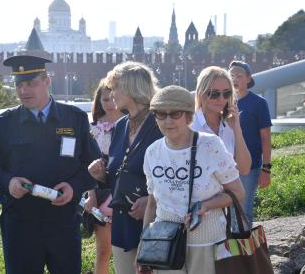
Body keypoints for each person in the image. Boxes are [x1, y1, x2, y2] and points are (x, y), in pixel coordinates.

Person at [0, 55, 100, 274]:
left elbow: (95, 166)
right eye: (19, 85)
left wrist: (74, 187)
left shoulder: (74, 119)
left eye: (31, 83)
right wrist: (8, 182)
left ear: (47, 81)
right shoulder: (3, 124)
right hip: (21, 224)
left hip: (63, 223)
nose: (24, 91)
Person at [137, 85, 245, 274]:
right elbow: (152, 204)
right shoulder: (152, 152)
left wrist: (206, 205)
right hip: (165, 244)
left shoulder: (210, 145)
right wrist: (143, 246)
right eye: (161, 114)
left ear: (188, 116)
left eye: (175, 114)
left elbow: (238, 192)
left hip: (206, 242)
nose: (168, 120)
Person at [88, 61, 163, 274]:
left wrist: (151, 201)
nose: (111, 94)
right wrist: (102, 176)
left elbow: (177, 173)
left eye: (114, 87)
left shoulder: (161, 123)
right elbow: (117, 177)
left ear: (132, 88)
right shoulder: (120, 126)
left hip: (155, 222)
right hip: (122, 222)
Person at [83, 77, 124, 274]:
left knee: (128, 249)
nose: (110, 104)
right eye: (105, 99)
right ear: (98, 101)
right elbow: (87, 164)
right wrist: (90, 195)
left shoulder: (132, 126)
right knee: (104, 250)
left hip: (126, 192)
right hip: (100, 192)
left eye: (113, 98)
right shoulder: (93, 129)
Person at [228, 60, 272, 226]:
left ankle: (245, 249)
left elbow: (266, 137)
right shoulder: (222, 102)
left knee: (243, 209)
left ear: (248, 79)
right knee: (225, 211)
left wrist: (266, 169)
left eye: (238, 75)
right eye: (231, 75)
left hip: (249, 167)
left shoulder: (259, 103)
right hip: (225, 165)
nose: (234, 79)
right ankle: (228, 249)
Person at [192, 66, 251, 175]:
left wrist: (237, 129)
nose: (221, 99)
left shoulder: (230, 124)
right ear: (201, 93)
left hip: (228, 191)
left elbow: (244, 169)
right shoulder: (190, 125)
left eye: (226, 93)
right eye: (214, 94)